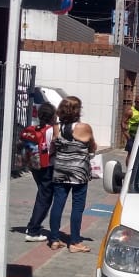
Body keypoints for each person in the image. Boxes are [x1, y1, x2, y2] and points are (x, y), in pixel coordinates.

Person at [48, 96, 97, 253]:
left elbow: (54, 146)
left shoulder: (57, 127)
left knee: (58, 203)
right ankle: (75, 242)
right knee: (77, 206)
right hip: (78, 171)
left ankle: (54, 239)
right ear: (78, 110)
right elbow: (93, 147)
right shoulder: (84, 127)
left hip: (60, 169)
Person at [20, 102, 56, 242]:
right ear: (52, 116)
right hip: (47, 166)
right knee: (44, 198)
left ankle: (34, 226)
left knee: (42, 194)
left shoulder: (34, 128)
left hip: (34, 165)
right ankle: (33, 230)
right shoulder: (51, 130)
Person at [123, 95, 139, 165]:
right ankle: (128, 171)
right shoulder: (130, 111)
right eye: (138, 102)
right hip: (132, 136)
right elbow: (123, 123)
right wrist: (127, 136)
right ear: (135, 102)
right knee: (131, 153)